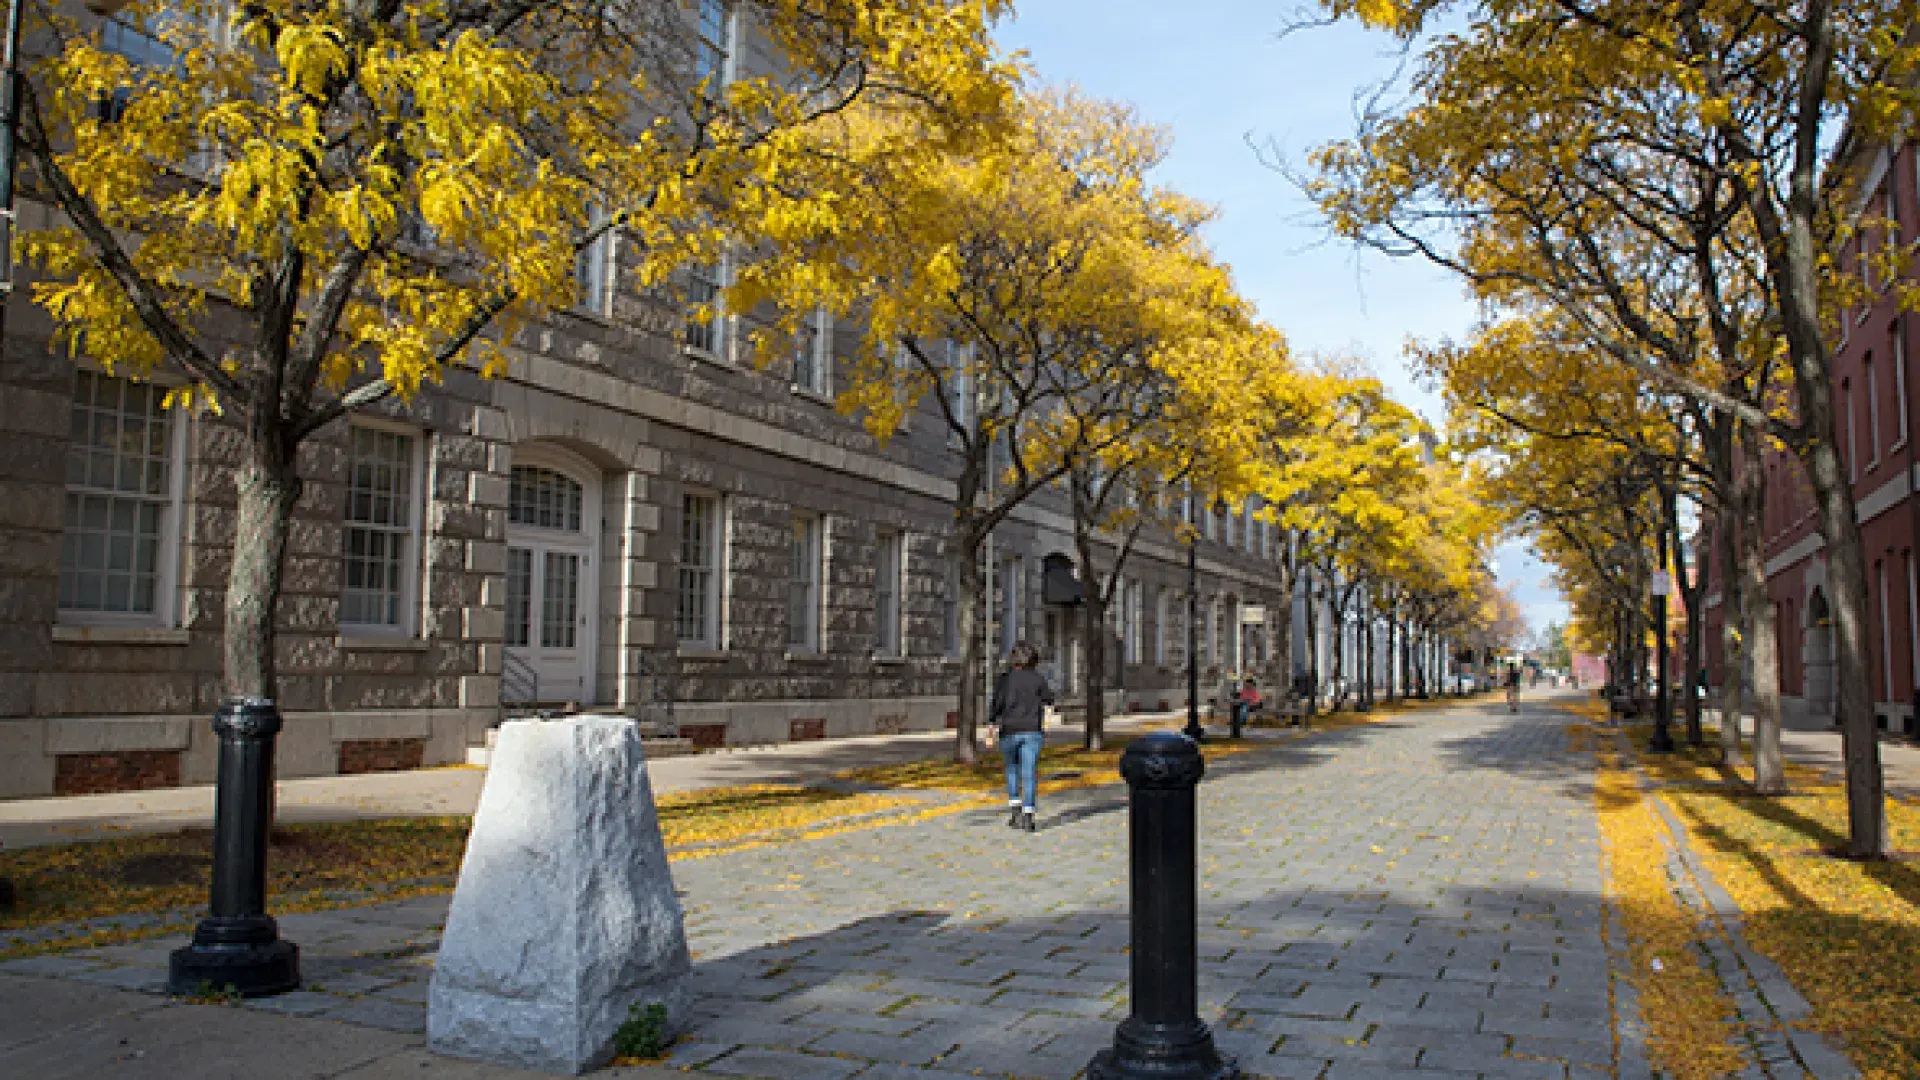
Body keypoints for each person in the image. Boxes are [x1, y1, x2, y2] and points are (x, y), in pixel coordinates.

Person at [989, 642, 1053, 832]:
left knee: (1011, 770)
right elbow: (1049, 702)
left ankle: (1015, 810)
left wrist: (991, 729)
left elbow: (996, 706)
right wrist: (1046, 724)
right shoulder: (1038, 679)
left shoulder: (1005, 679)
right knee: (1029, 773)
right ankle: (1028, 815)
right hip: (1032, 731)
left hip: (1009, 730)